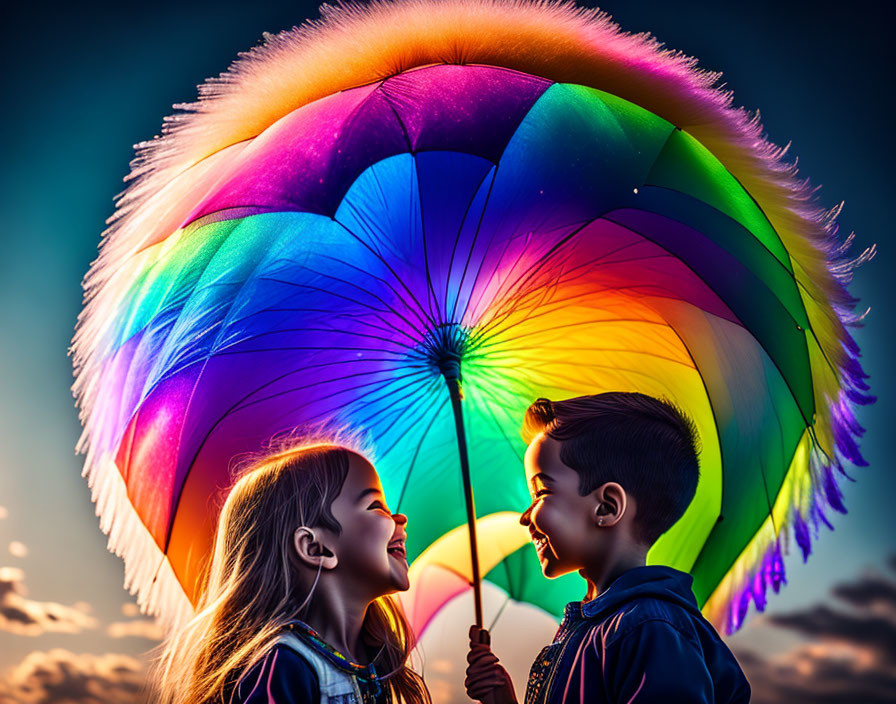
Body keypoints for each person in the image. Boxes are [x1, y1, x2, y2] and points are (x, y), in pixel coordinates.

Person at [465, 393, 751, 703]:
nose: (525, 517)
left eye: (540, 492)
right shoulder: (607, 627)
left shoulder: (647, 630)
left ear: (606, 507)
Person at [153, 433, 431, 704]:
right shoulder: (285, 665)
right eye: (376, 506)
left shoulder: (369, 666)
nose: (400, 518)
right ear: (315, 548)